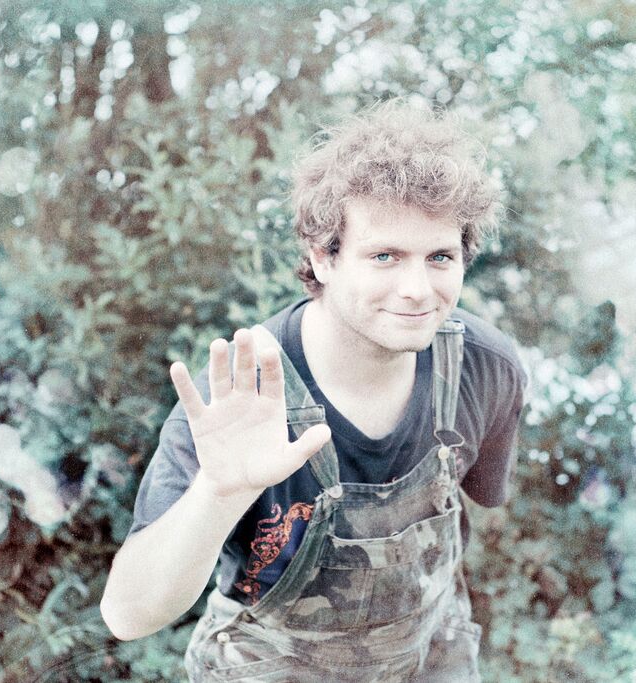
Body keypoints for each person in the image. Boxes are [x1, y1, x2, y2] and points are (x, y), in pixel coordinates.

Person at [100, 100, 529, 681]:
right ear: (322, 258)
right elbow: (128, 614)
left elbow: (481, 501)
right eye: (384, 256)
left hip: (428, 663)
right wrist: (220, 492)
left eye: (439, 257)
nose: (417, 288)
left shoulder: (485, 367)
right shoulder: (241, 398)